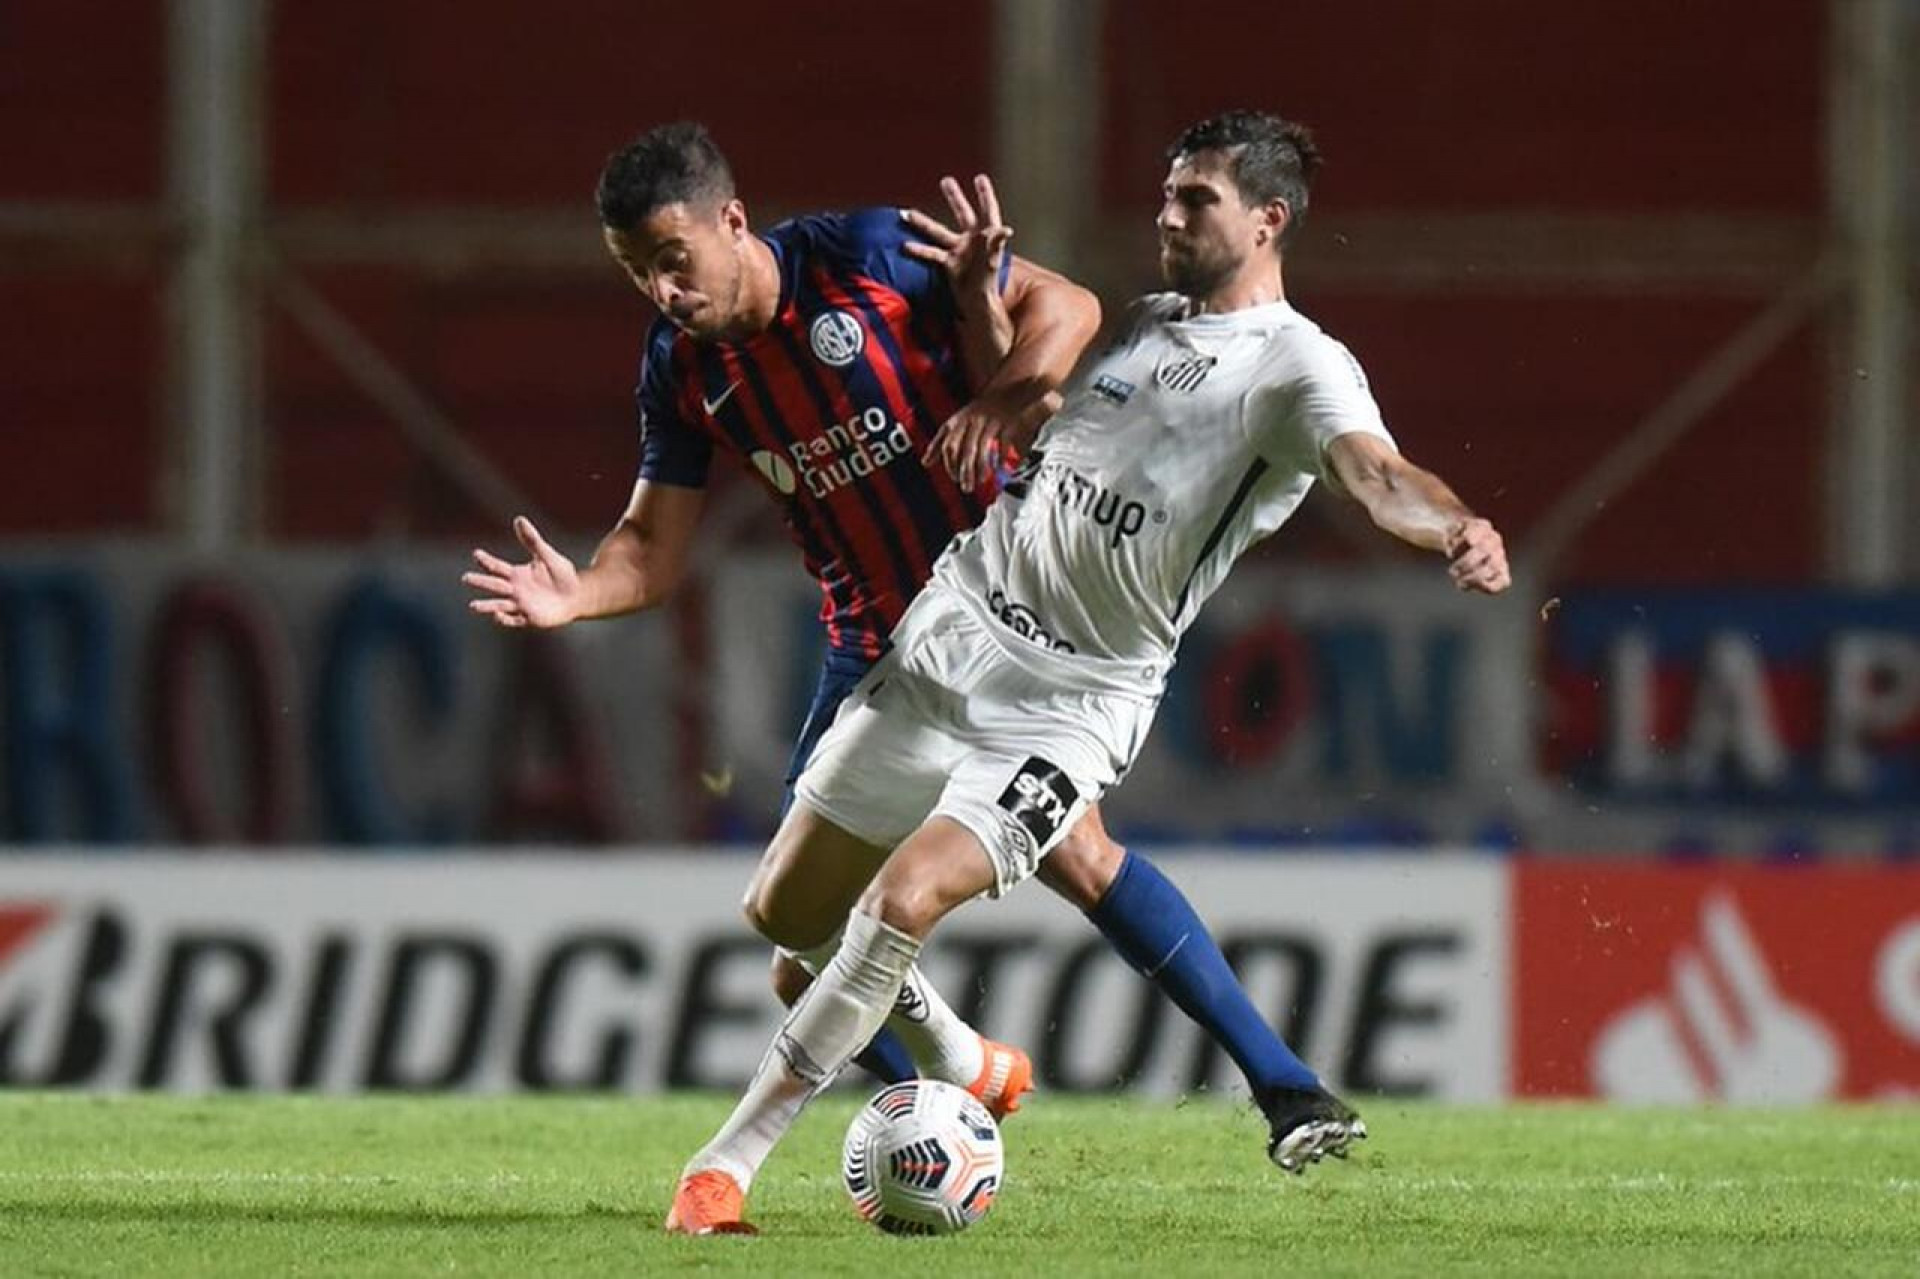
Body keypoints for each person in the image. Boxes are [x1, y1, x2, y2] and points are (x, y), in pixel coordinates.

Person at [664, 109, 1513, 1235]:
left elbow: (1378, 470)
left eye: (1195, 199)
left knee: (905, 897)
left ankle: (723, 1167)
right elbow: (1032, 425)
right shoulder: (1149, 327)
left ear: (1270, 219)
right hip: (952, 631)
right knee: (786, 917)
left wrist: (1452, 527)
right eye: (1166, 194)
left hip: (1069, 702)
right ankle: (970, 1061)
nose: (1167, 216)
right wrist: (975, 303)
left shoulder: (1299, 364)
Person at [465, 121, 1335, 1143]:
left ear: (731, 221)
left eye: (672, 259)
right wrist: (579, 597)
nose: (662, 291)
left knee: (1079, 858)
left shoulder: (865, 257)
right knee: (801, 948)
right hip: (875, 646)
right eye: (636, 272)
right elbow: (649, 553)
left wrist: (1008, 400)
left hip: (1012, 615)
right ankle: (951, 1100)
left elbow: (1067, 304)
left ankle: (1267, 1086)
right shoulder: (680, 370)